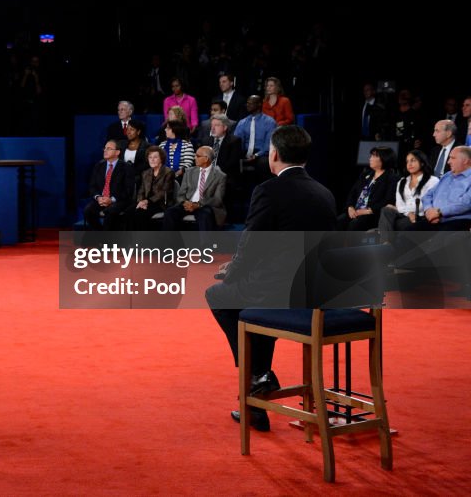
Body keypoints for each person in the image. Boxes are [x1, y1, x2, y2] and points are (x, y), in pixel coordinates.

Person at [206, 125, 336, 432]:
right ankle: (258, 385)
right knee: (253, 305)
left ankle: (256, 376)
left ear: (273, 154)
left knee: (219, 295)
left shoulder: (268, 190)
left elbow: (251, 244)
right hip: (321, 293)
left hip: (282, 291)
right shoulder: (325, 192)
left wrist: (232, 272)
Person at [162, 146, 227, 232]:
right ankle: (172, 244)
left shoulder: (220, 176)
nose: (194, 157)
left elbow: (217, 200)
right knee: (170, 212)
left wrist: (198, 204)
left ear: (206, 159)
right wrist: (185, 202)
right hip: (187, 203)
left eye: (197, 156)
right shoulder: (189, 172)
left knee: (205, 215)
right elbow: (181, 194)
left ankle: (206, 245)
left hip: (206, 206)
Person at [377, 149, 438, 240]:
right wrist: (408, 213)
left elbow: (426, 203)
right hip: (405, 215)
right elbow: (399, 204)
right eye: (407, 161)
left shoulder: (433, 180)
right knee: (386, 210)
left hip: (421, 216)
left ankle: (385, 236)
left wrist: (408, 212)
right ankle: (386, 243)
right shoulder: (402, 181)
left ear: (422, 163)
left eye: (413, 160)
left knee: (395, 224)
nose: (409, 164)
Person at [336, 146, 398, 231]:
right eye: (371, 156)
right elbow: (353, 193)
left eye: (374, 156)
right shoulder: (365, 175)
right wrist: (350, 207)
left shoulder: (392, 178)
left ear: (384, 159)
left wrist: (369, 210)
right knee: (338, 221)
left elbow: (388, 201)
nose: (370, 159)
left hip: (373, 214)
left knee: (354, 225)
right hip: (355, 211)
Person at [83, 140, 132, 231]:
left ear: (117, 152)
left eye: (109, 148)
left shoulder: (126, 167)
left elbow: (128, 189)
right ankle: (101, 236)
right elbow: (92, 186)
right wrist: (98, 197)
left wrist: (111, 199)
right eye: (105, 148)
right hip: (101, 199)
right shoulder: (99, 165)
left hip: (118, 200)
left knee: (110, 211)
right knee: (88, 211)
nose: (105, 150)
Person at [129, 146, 175, 230]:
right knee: (129, 211)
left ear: (161, 158)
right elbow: (141, 190)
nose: (152, 160)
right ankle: (132, 241)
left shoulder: (169, 172)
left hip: (160, 203)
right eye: (150, 157)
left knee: (140, 214)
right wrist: (141, 201)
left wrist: (147, 201)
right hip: (145, 202)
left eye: (155, 157)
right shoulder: (145, 173)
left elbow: (164, 192)